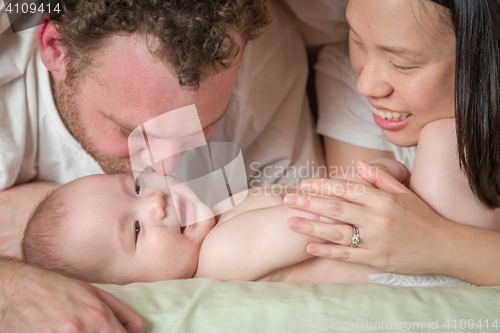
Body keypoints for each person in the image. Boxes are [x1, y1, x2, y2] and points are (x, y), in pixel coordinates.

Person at [0, 0, 331, 330]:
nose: (164, 167)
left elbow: (320, 229)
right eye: (130, 131)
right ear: (56, 48)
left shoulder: (259, 67)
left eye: (201, 128)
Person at [285, 0, 500, 287]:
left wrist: (443, 244)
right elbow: (372, 245)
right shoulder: (349, 81)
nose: (367, 86)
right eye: (358, 41)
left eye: (403, 64)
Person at [22, 173, 383, 285]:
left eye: (134, 187)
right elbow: (312, 224)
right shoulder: (219, 254)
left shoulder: (220, 216)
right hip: (399, 263)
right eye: (135, 231)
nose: (154, 202)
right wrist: (367, 187)